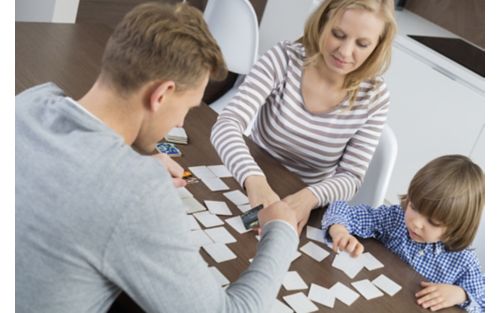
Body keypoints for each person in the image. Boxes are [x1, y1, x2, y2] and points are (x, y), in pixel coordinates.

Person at [15, 3, 300, 313]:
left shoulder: (29, 103)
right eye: (188, 108)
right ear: (161, 94)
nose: (180, 124)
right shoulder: (138, 191)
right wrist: (281, 232)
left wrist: (129, 162)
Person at [210, 0, 397, 232]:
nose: (345, 52)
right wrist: (253, 179)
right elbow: (226, 124)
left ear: (377, 47)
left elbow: (351, 176)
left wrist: (308, 198)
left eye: (362, 44)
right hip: (250, 175)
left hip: (307, 199)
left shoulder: (374, 97)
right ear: (322, 23)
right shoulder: (283, 59)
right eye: (338, 34)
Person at [322, 154, 485, 312]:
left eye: (433, 222)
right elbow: (342, 209)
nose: (416, 223)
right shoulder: (395, 219)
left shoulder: (464, 262)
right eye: (414, 207)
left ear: (456, 228)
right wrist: (339, 230)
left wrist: (461, 295)